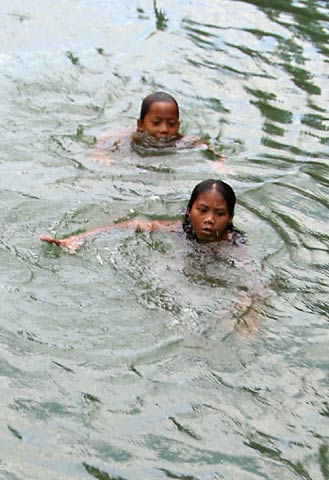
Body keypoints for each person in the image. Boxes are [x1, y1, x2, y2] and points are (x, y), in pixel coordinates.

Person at [40, 179, 244, 253]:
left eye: (219, 213)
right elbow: (132, 224)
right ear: (189, 211)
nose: (210, 219)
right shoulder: (178, 229)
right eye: (202, 210)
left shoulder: (233, 244)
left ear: (230, 218)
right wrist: (77, 238)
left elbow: (254, 277)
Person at [91, 92, 224, 163]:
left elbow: (203, 145)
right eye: (156, 122)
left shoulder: (182, 140)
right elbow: (106, 139)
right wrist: (99, 153)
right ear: (141, 125)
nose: (164, 129)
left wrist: (218, 162)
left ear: (178, 125)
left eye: (171, 123)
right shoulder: (134, 136)